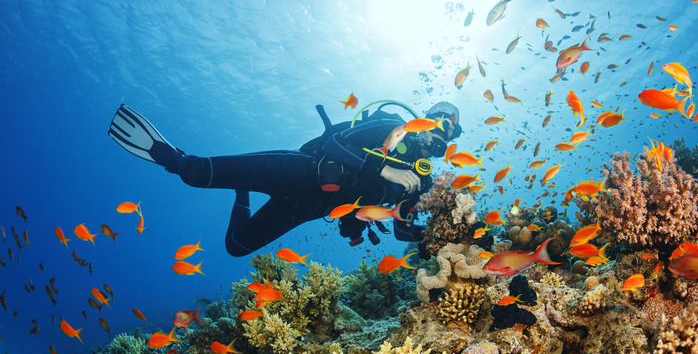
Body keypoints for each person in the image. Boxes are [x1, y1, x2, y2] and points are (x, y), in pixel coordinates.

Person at [108, 101, 462, 257]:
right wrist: (384, 168)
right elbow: (333, 144)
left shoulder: (424, 181)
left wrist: (430, 239)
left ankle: (242, 192)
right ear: (427, 120)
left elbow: (401, 228)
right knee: (195, 172)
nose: (445, 135)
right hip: (301, 169)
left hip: (311, 207)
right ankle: (166, 153)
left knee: (235, 247)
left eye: (453, 131)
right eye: (442, 123)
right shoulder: (393, 128)